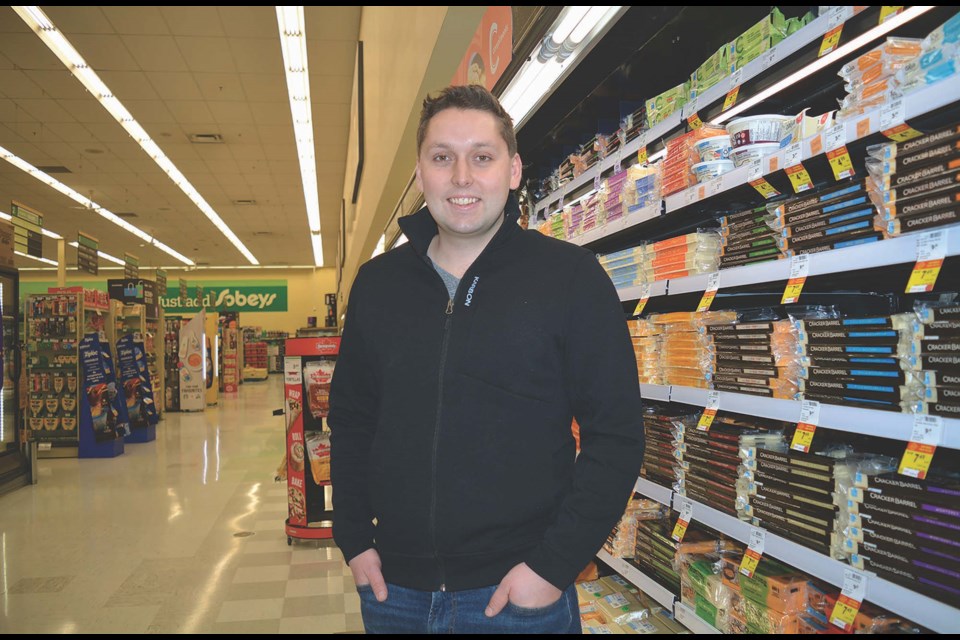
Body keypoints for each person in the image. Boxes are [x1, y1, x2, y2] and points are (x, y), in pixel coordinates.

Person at [329, 84, 644, 634]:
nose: (461, 177)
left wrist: (551, 568)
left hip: (520, 596)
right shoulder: (378, 287)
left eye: (482, 157)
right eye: (442, 157)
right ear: (422, 171)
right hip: (395, 593)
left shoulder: (570, 280)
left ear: (514, 170)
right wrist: (354, 540)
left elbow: (616, 435)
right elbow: (352, 422)